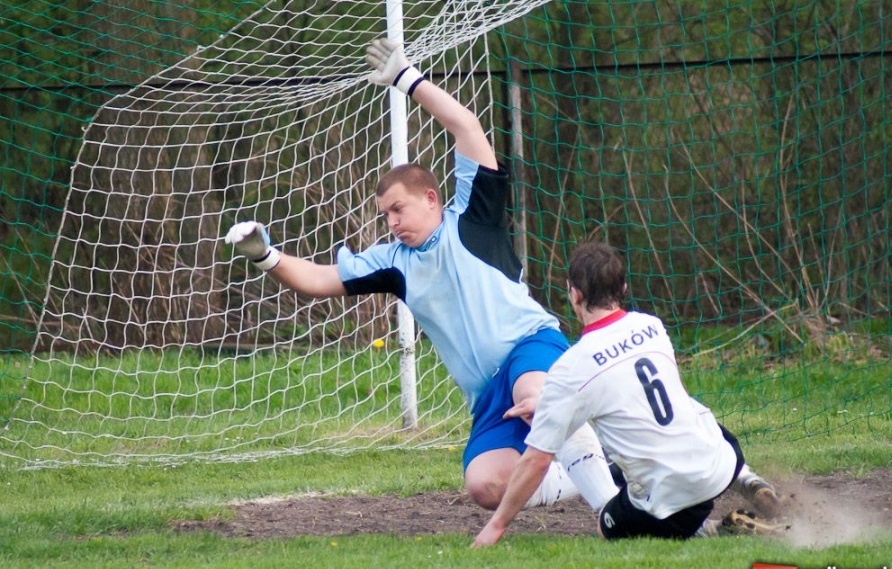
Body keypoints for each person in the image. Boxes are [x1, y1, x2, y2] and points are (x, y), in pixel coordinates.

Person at [226, 39, 777, 517]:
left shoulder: (474, 217)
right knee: (485, 485)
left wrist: (406, 79)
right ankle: (596, 469)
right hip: (488, 394)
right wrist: (265, 255)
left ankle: (619, 509)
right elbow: (320, 279)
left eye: (397, 210)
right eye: (384, 216)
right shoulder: (394, 262)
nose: (391, 223)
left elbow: (465, 125)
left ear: (431, 198)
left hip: (529, 349)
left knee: (537, 394)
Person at [472, 241, 784, 546]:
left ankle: (710, 531)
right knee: (687, 407)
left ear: (575, 294)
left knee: (606, 527)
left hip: (674, 498)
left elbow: (537, 461)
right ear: (622, 289)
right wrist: (553, 402)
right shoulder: (653, 326)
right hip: (721, 463)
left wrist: (496, 526)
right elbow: (623, 382)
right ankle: (748, 479)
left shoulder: (571, 367)